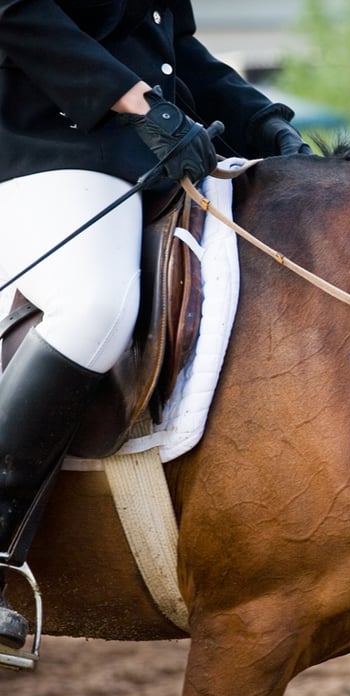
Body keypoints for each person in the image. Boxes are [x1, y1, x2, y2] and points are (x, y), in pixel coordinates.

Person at [0, 1, 311, 650]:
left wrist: (263, 121)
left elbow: (175, 50)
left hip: (144, 149)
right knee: (95, 304)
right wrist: (140, 105)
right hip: (43, 145)